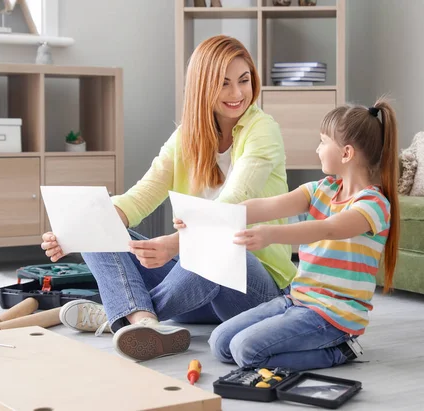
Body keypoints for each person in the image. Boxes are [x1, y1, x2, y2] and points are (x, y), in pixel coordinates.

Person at [40, 35, 297, 362]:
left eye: (244, 81)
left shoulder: (263, 130)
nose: (237, 94)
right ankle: (144, 321)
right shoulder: (188, 136)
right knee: (97, 220)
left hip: (255, 291)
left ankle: (119, 315)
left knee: (219, 246)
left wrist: (177, 244)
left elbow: (232, 206)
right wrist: (75, 233)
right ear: (202, 87)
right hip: (193, 292)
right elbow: (140, 197)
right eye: (224, 84)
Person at [182, 97, 401, 371]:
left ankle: (339, 351)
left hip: (333, 316)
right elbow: (265, 206)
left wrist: (271, 234)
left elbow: (329, 228)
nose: (318, 149)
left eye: (323, 141)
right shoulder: (322, 189)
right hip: (297, 300)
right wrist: (206, 219)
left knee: (245, 351)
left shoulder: (373, 205)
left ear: (346, 153)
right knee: (220, 342)